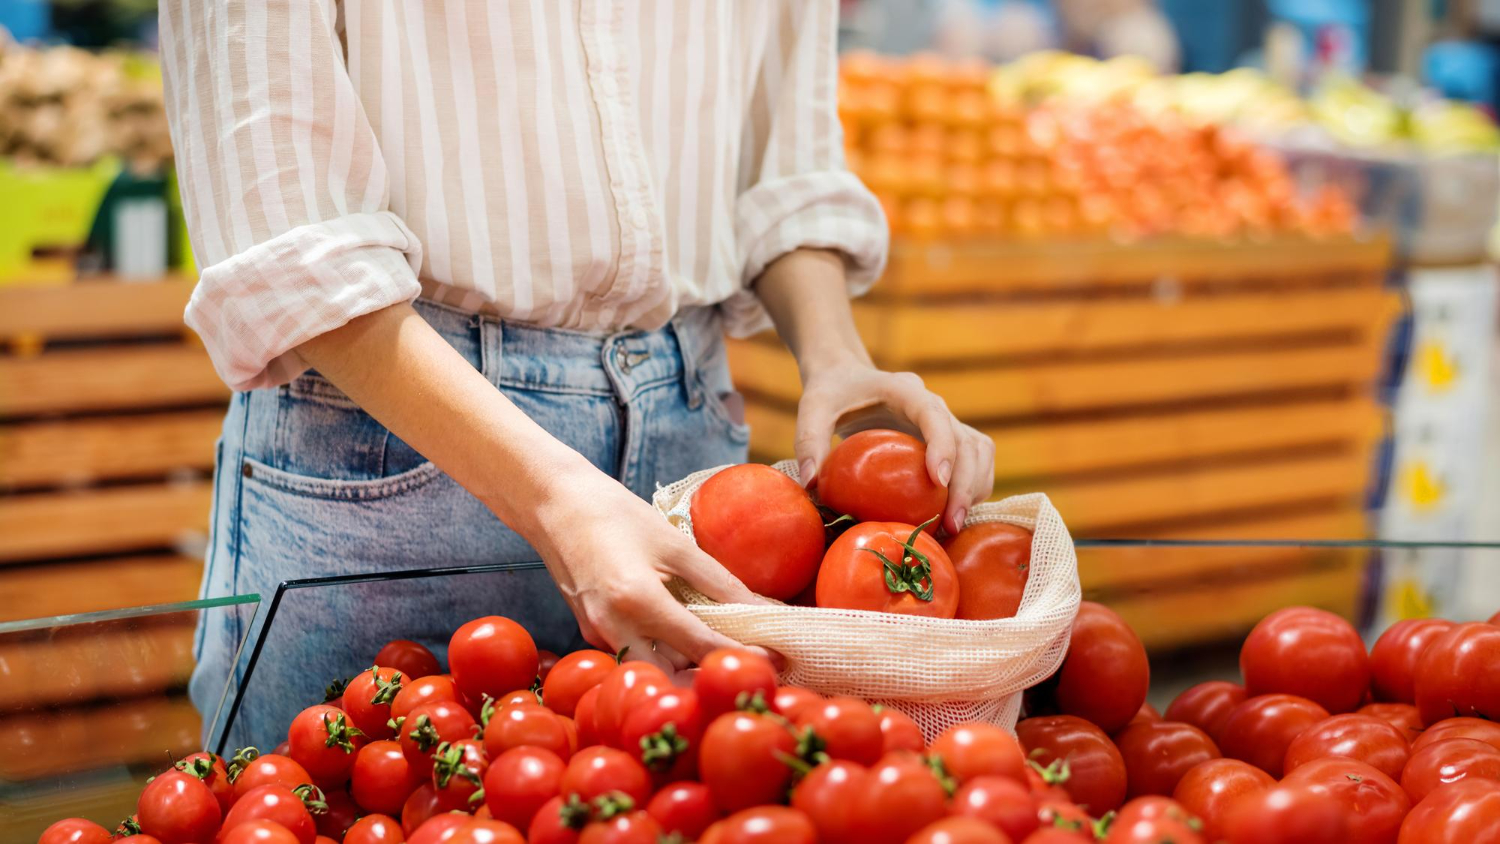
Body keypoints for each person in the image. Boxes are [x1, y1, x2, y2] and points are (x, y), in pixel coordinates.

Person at [160, 0, 996, 745]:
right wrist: (555, 495)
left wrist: (836, 357)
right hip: (397, 437)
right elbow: (282, 224)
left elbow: (785, 155)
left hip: (690, 427)